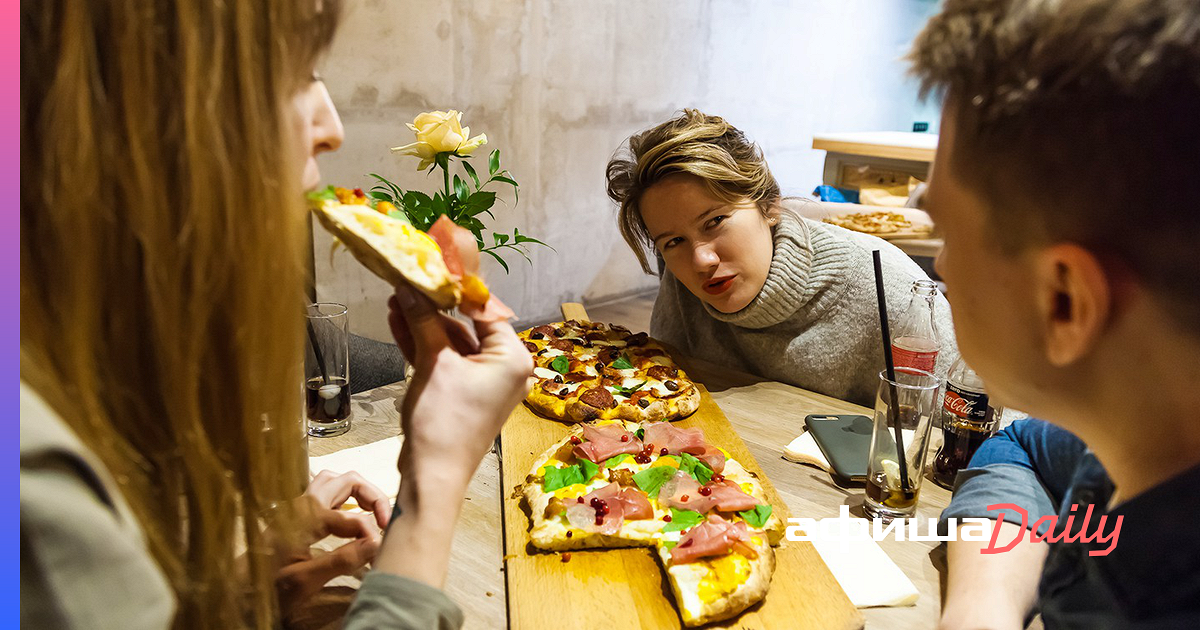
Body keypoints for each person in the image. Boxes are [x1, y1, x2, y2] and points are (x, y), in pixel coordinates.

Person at [19, 1, 531, 628]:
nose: (332, 125)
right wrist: (433, 482)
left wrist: (219, 597)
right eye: (292, 70)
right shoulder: (30, 482)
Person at [907, 0, 1200, 627]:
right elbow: (1018, 449)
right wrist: (981, 610)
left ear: (1065, 303)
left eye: (949, 235)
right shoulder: (1138, 430)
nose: (943, 271)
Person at [606, 110, 958, 406]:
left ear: (770, 205)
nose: (701, 260)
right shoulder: (681, 277)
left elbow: (982, 441)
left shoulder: (892, 289)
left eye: (715, 222)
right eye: (673, 241)